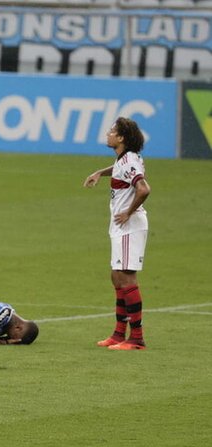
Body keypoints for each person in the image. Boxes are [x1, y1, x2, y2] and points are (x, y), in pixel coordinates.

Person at [83, 117, 151, 351]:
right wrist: (99, 173)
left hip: (129, 226)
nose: (108, 134)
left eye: (112, 131)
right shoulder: (125, 159)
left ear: (121, 138)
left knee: (126, 278)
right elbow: (121, 170)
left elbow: (144, 189)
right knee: (116, 276)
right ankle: (118, 333)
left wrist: (128, 213)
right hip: (121, 227)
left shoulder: (130, 159)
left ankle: (137, 338)